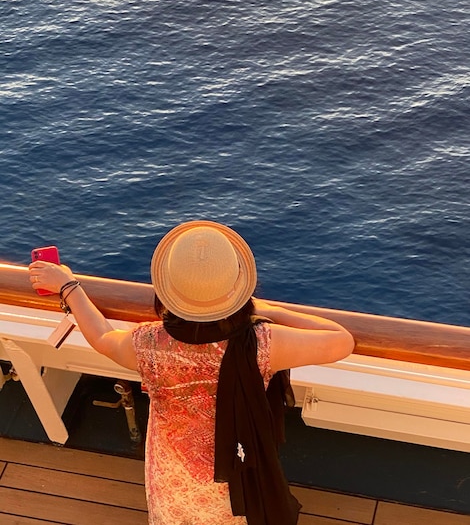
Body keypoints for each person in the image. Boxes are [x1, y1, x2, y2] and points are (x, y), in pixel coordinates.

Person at [29, 220, 354, 525]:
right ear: (238, 288)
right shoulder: (264, 344)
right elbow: (341, 342)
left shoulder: (149, 342)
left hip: (173, 475)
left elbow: (102, 337)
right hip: (233, 476)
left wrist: (69, 286)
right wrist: (270, 310)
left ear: (168, 291)